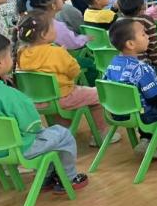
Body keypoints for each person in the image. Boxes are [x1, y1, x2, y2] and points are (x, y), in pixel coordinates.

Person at [0, 32, 88, 192]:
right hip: (18, 150)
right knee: (62, 134)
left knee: (47, 137)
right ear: (0, 63)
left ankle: (46, 178)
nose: (12, 58)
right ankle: (68, 179)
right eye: (10, 55)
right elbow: (32, 126)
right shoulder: (12, 95)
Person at [15, 10, 109, 144]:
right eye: (53, 27)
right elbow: (75, 72)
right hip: (63, 97)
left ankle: (62, 133)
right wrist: (64, 55)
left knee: (59, 96)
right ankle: (101, 134)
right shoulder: (56, 52)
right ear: (43, 34)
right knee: (98, 94)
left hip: (37, 101)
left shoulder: (20, 53)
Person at [103, 18, 157, 158]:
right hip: (141, 115)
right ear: (130, 44)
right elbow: (156, 99)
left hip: (117, 113)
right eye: (143, 34)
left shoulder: (112, 64)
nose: (148, 37)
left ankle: (146, 140)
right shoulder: (142, 68)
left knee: (142, 102)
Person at [117, 0, 157, 86]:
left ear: (120, 7)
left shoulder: (118, 21)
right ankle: (149, 91)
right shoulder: (147, 21)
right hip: (143, 66)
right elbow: (153, 47)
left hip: (123, 65)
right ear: (142, 5)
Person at [23, 0, 90, 52]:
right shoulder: (55, 26)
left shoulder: (37, 22)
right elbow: (73, 43)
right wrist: (87, 38)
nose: (62, 0)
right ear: (53, 5)